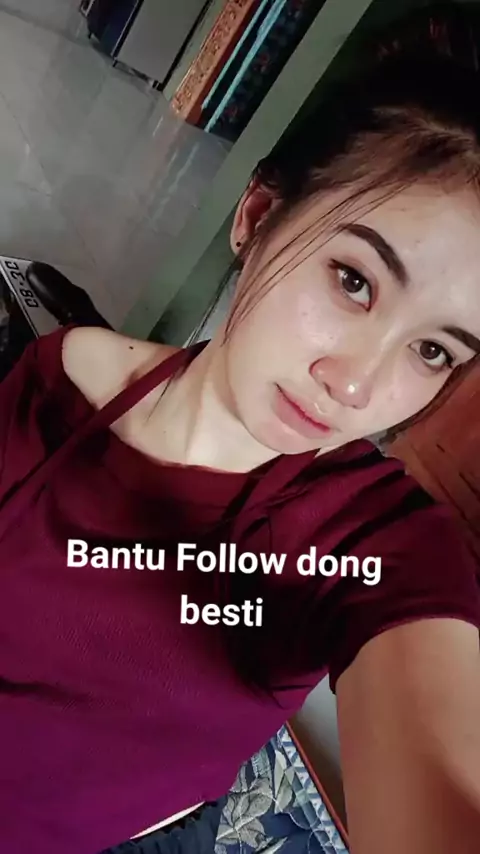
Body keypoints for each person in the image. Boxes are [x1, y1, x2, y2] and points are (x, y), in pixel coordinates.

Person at [2, 6, 480, 854]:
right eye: (354, 281)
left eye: (434, 350)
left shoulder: (370, 540)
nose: (357, 385)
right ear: (257, 216)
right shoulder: (62, 376)